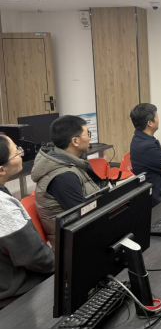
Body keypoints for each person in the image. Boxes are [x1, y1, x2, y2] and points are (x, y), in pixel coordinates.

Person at [0, 135, 55, 309]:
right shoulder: (3, 207)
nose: (21, 154)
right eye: (17, 152)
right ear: (2, 170)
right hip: (17, 295)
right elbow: (35, 257)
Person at [32, 116, 104, 246]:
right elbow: (85, 217)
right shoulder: (63, 177)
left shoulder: (69, 162)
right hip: (74, 244)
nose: (90, 138)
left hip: (82, 234)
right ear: (75, 141)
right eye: (87, 134)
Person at [130, 103, 161, 206]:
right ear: (150, 123)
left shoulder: (140, 138)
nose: (158, 119)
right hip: (160, 198)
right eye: (157, 117)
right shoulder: (146, 146)